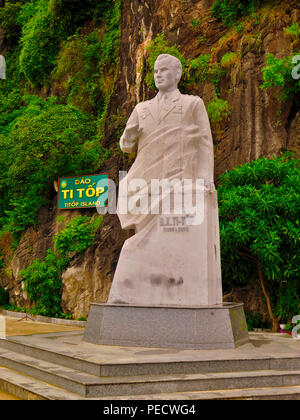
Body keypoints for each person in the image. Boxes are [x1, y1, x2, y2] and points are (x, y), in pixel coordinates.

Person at [108, 54, 222, 306]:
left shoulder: (193, 104)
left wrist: (205, 176)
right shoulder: (142, 109)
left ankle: (179, 288)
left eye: (164, 71)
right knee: (140, 234)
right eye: (155, 71)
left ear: (177, 75)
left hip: (180, 179)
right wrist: (129, 134)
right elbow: (126, 146)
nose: (158, 75)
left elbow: (204, 142)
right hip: (147, 179)